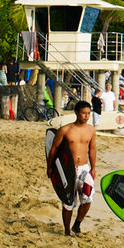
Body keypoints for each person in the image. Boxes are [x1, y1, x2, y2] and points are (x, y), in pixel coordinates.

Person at [46, 100, 97, 236]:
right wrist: (50, 167)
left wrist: (93, 168)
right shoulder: (65, 130)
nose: (86, 116)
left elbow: (92, 149)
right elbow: (53, 149)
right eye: (83, 113)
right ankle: (67, 230)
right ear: (76, 113)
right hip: (68, 169)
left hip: (84, 169)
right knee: (68, 201)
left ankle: (77, 224)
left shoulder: (91, 130)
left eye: (88, 113)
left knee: (88, 198)